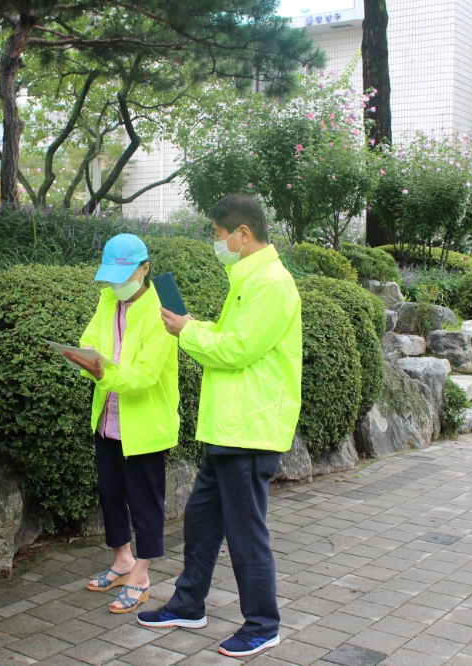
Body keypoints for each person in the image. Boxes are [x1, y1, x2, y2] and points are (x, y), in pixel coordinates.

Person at [138, 194, 302, 658]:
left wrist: (187, 330)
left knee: (246, 531)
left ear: (242, 235)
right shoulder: (249, 278)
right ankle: (189, 603)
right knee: (201, 519)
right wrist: (192, 324)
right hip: (229, 427)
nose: (216, 243)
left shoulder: (270, 282)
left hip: (249, 428)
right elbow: (235, 339)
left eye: (217, 235)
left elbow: (237, 349)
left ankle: (262, 624)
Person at [62, 233, 179, 614]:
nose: (117, 284)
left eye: (123, 275)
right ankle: (122, 561)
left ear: (145, 269)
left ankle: (142, 577)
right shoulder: (108, 298)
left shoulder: (163, 312)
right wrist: (83, 359)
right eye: (111, 277)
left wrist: (101, 374)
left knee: (144, 501)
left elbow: (144, 375)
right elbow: (91, 338)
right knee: (110, 493)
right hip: (107, 419)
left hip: (143, 424)